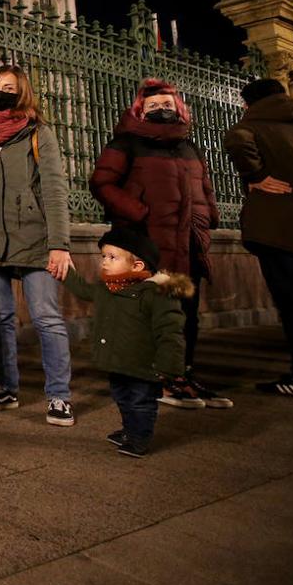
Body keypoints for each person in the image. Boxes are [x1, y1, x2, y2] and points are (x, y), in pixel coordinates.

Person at [89, 78, 230, 408]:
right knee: (156, 314)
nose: (161, 109)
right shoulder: (126, 142)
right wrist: (138, 212)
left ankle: (181, 375)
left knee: (186, 314)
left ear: (178, 108)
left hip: (189, 242)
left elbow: (205, 186)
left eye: (167, 104)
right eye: (153, 106)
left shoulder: (188, 145)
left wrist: (209, 215)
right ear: (140, 110)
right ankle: (157, 380)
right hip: (150, 243)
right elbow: (102, 182)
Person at [0, 65, 77, 427]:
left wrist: (60, 245)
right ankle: (6, 388)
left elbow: (55, 190)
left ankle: (59, 396)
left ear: (22, 92)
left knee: (46, 318)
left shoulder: (38, 134)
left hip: (36, 240)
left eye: (10, 87)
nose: (2, 91)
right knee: (1, 319)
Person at [223, 77, 293, 399]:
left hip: (279, 232)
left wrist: (256, 176)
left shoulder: (252, 126)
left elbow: (237, 141)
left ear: (250, 103)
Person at [63, 227, 191, 458]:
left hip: (144, 365)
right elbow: (83, 290)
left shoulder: (156, 293)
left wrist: (169, 367)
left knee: (141, 402)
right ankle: (129, 430)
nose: (104, 262)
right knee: (122, 398)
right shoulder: (107, 288)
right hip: (118, 362)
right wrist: (65, 271)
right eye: (103, 256)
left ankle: (140, 438)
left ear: (137, 265)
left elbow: (170, 332)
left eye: (112, 257)